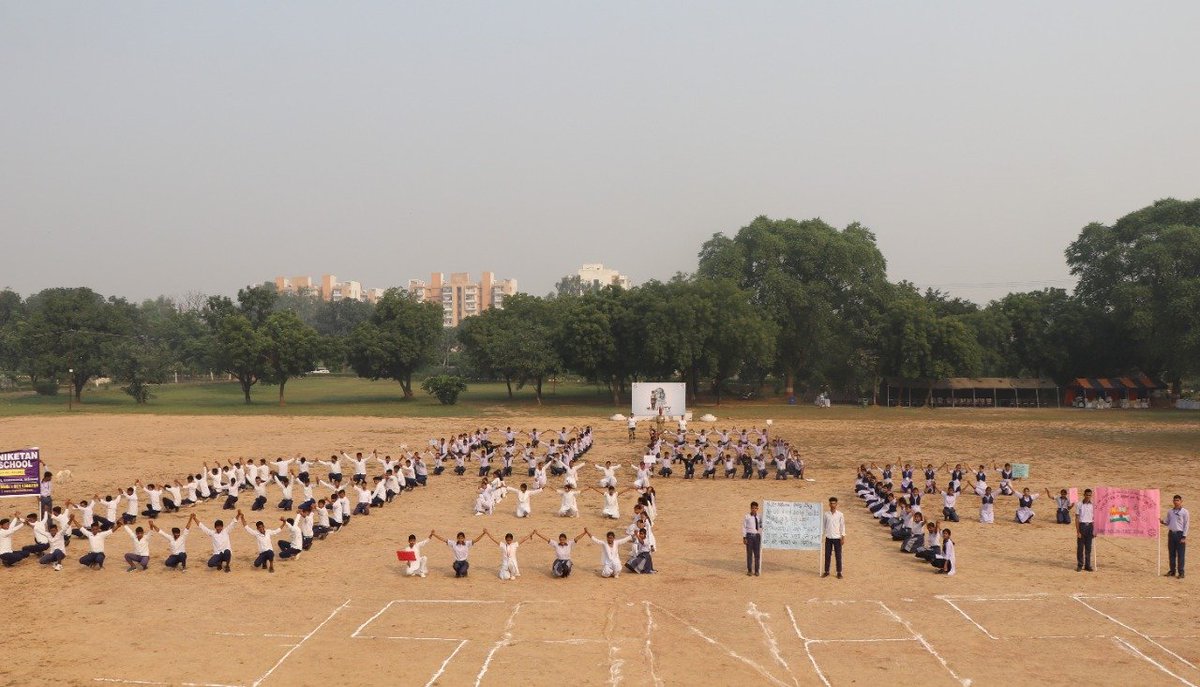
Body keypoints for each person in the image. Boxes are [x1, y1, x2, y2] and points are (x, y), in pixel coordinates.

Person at [1161, 494, 1188, 579]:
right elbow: (1167, 522)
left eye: (1178, 500)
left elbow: (1186, 525)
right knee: (1171, 553)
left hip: (1180, 534)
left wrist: (1184, 536)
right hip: (1171, 534)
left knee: (1180, 554)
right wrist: (1162, 522)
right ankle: (1172, 571)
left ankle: (1181, 572)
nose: (1176, 502)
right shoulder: (1170, 511)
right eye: (1175, 500)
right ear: (1173, 501)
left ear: (1181, 501)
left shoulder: (1184, 512)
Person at [822, 497, 845, 579]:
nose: (833, 505)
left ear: (836, 504)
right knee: (827, 555)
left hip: (837, 538)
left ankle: (839, 572)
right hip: (828, 537)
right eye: (831, 503)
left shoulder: (840, 515)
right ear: (829, 504)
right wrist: (822, 536)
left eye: (834, 503)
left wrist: (843, 537)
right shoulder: (826, 514)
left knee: (838, 556)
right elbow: (823, 526)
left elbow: (842, 526)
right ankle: (826, 571)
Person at [1075, 488, 1095, 572]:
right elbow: (1077, 517)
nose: (1088, 496)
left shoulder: (1093, 505)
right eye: (1087, 495)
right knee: (1080, 548)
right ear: (1084, 495)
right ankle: (1080, 565)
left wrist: (1095, 530)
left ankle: (1087, 565)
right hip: (1082, 525)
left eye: (1090, 495)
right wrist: (1078, 531)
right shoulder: (1079, 504)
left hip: (1090, 526)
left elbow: (1095, 518)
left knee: (1088, 548)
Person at [743, 501, 762, 577]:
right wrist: (744, 537)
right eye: (752, 508)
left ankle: (757, 570)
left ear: (757, 508)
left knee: (757, 554)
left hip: (757, 536)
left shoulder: (759, 516)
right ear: (750, 508)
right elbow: (744, 527)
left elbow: (761, 525)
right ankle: (750, 570)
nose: (754, 509)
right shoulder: (747, 516)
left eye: (755, 508)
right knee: (749, 554)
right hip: (749, 536)